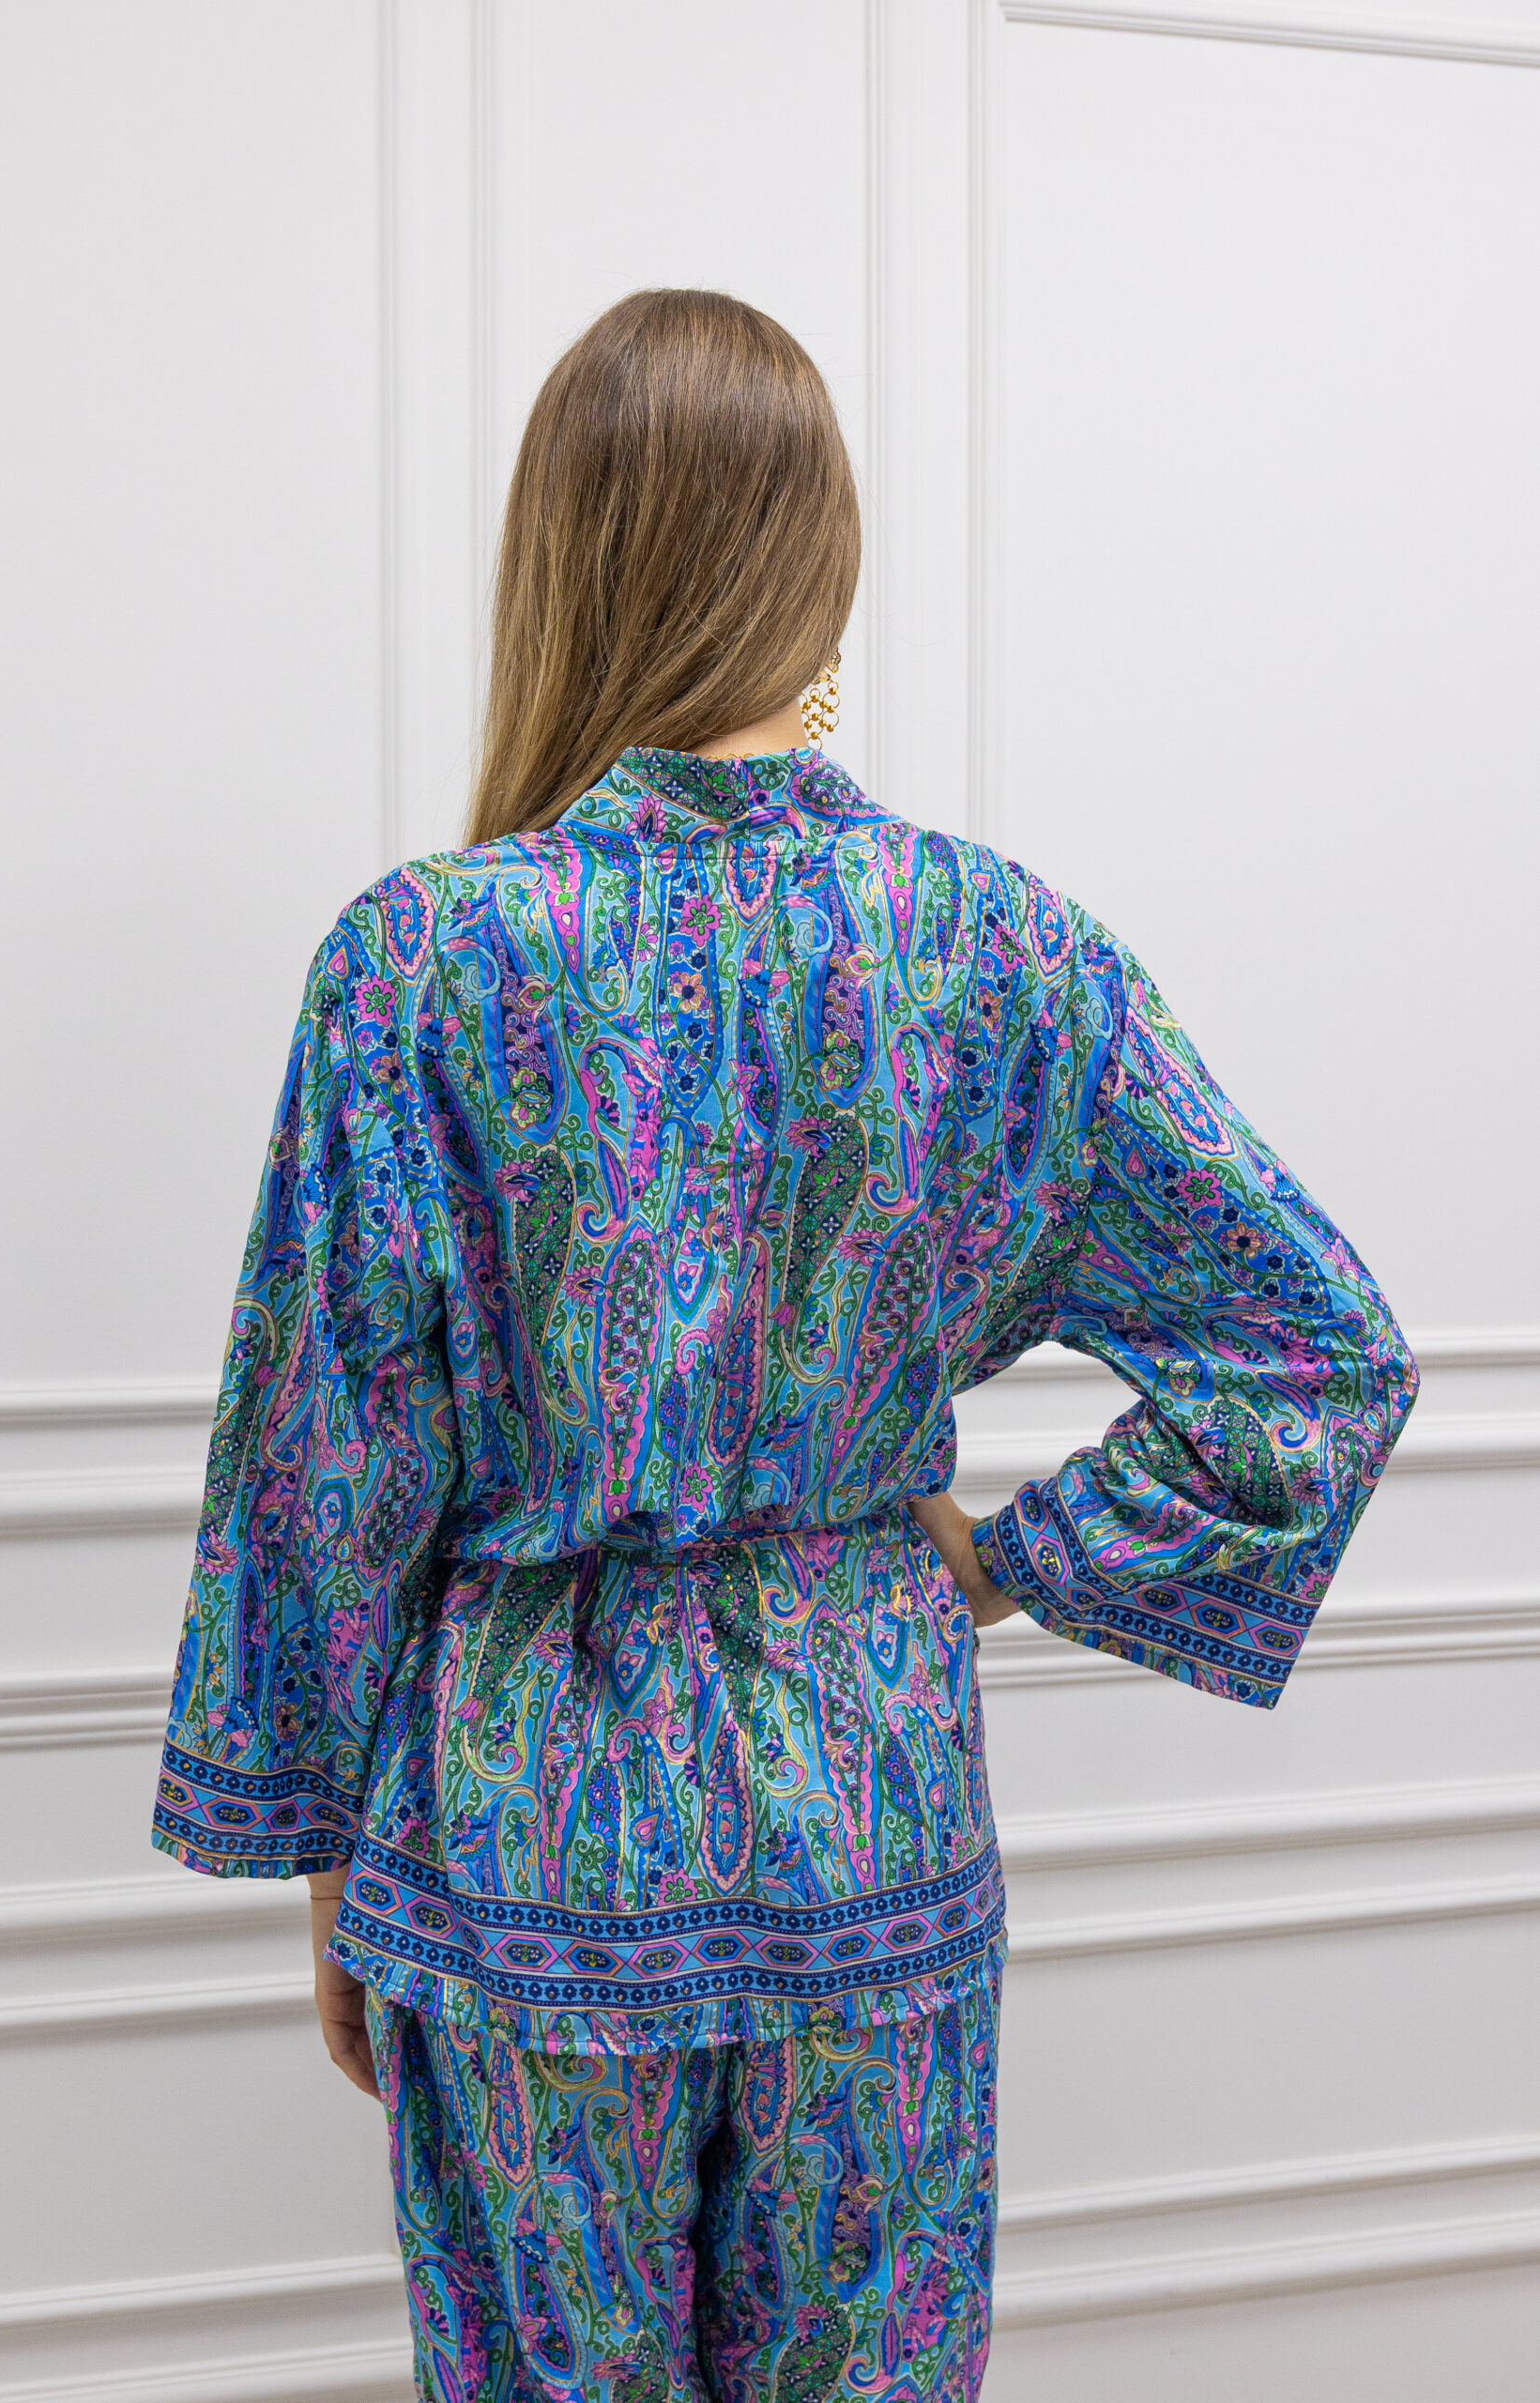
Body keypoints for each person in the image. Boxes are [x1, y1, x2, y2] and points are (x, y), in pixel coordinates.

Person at [152, 287, 1417, 2403]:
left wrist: (315, 1848)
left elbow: (320, 1459)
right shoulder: (991, 948)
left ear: (562, 558)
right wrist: (1001, 1562)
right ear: (820, 558)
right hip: (870, 1808)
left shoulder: (421, 963)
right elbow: (1318, 1352)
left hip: (517, 1833)